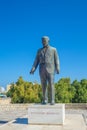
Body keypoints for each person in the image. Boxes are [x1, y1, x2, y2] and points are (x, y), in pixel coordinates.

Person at [30, 36, 60, 105]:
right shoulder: (39, 50)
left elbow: (57, 59)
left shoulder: (53, 49)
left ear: (48, 41)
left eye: (45, 41)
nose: (43, 42)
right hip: (42, 69)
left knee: (51, 84)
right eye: (42, 41)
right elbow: (36, 60)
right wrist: (33, 68)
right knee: (43, 85)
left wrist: (58, 67)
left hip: (51, 69)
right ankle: (45, 100)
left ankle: (52, 100)